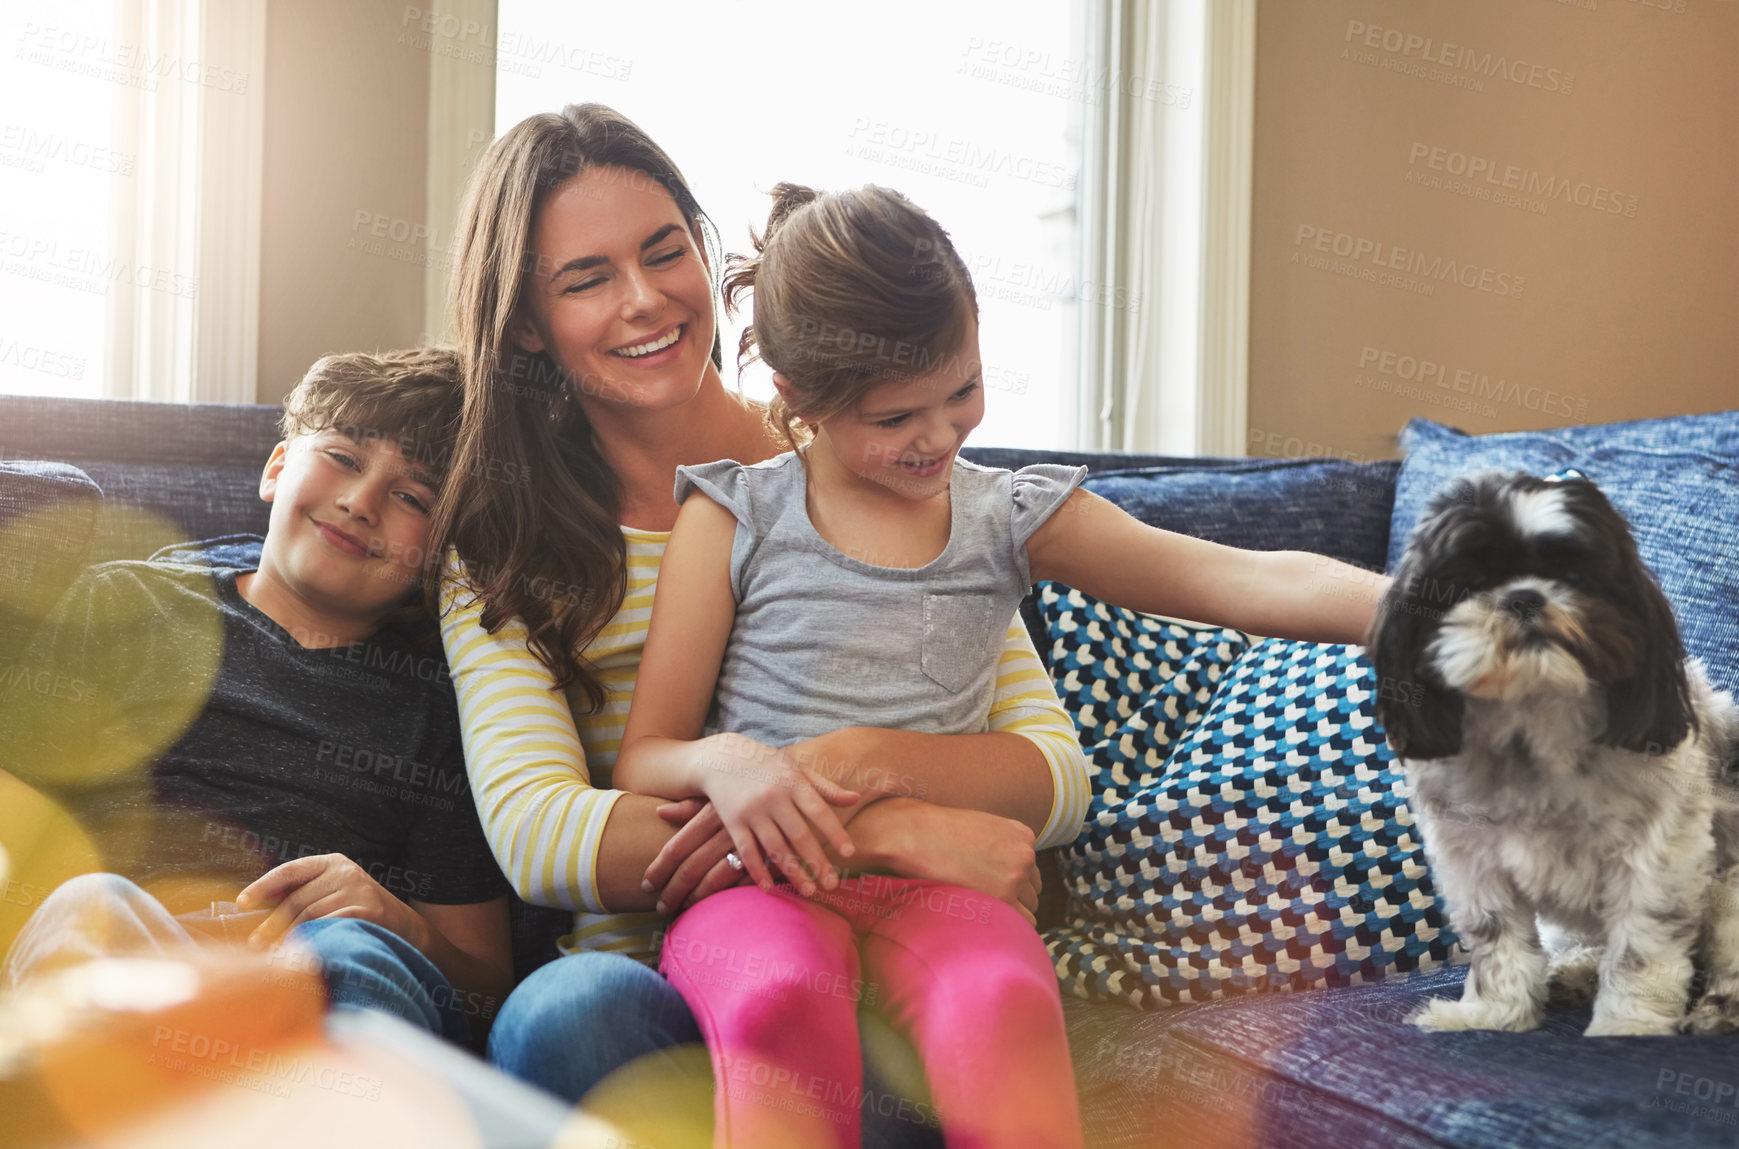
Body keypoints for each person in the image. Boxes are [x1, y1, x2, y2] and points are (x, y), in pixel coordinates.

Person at [612, 183, 1386, 1148]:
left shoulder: (1010, 516)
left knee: (1004, 999)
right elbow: (645, 755)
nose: (937, 437)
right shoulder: (731, 516)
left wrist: (1424, 610)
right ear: (796, 398)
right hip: (760, 886)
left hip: (942, 890)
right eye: (896, 418)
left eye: (962, 392)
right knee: (776, 1001)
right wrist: (725, 761)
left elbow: (1238, 580)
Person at [430, 104, 1091, 1145]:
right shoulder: (504, 547)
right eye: (587, 278)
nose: (645, 300)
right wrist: (883, 829)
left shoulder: (868, 454)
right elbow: (542, 835)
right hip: (651, 987)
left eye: (665, 252)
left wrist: (861, 763)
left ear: (710, 254)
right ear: (525, 323)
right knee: (568, 1014)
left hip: (895, 963)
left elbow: (1049, 771)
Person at [1, 348, 513, 1050]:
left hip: (306, 991)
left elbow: (487, 985)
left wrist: (398, 919)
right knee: (94, 904)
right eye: (342, 457)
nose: (360, 503)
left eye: (412, 498)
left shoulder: (436, 712)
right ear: (276, 468)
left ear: (442, 556)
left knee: (356, 951)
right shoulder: (125, 603)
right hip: (126, 965)